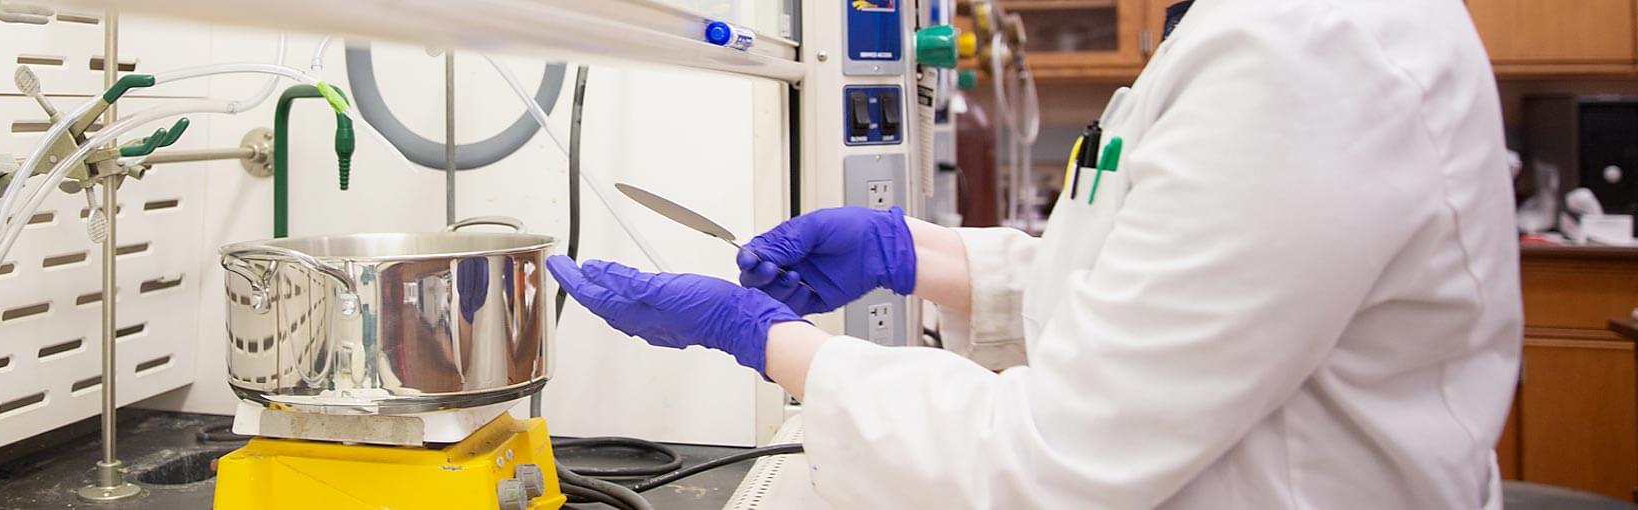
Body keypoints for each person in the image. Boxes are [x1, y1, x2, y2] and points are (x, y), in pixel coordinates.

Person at [546, 0, 1521, 507]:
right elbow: (1142, 292)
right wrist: (911, 252)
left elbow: (1058, 461)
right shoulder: (1246, 34)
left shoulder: (1309, 49)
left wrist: (761, 339)